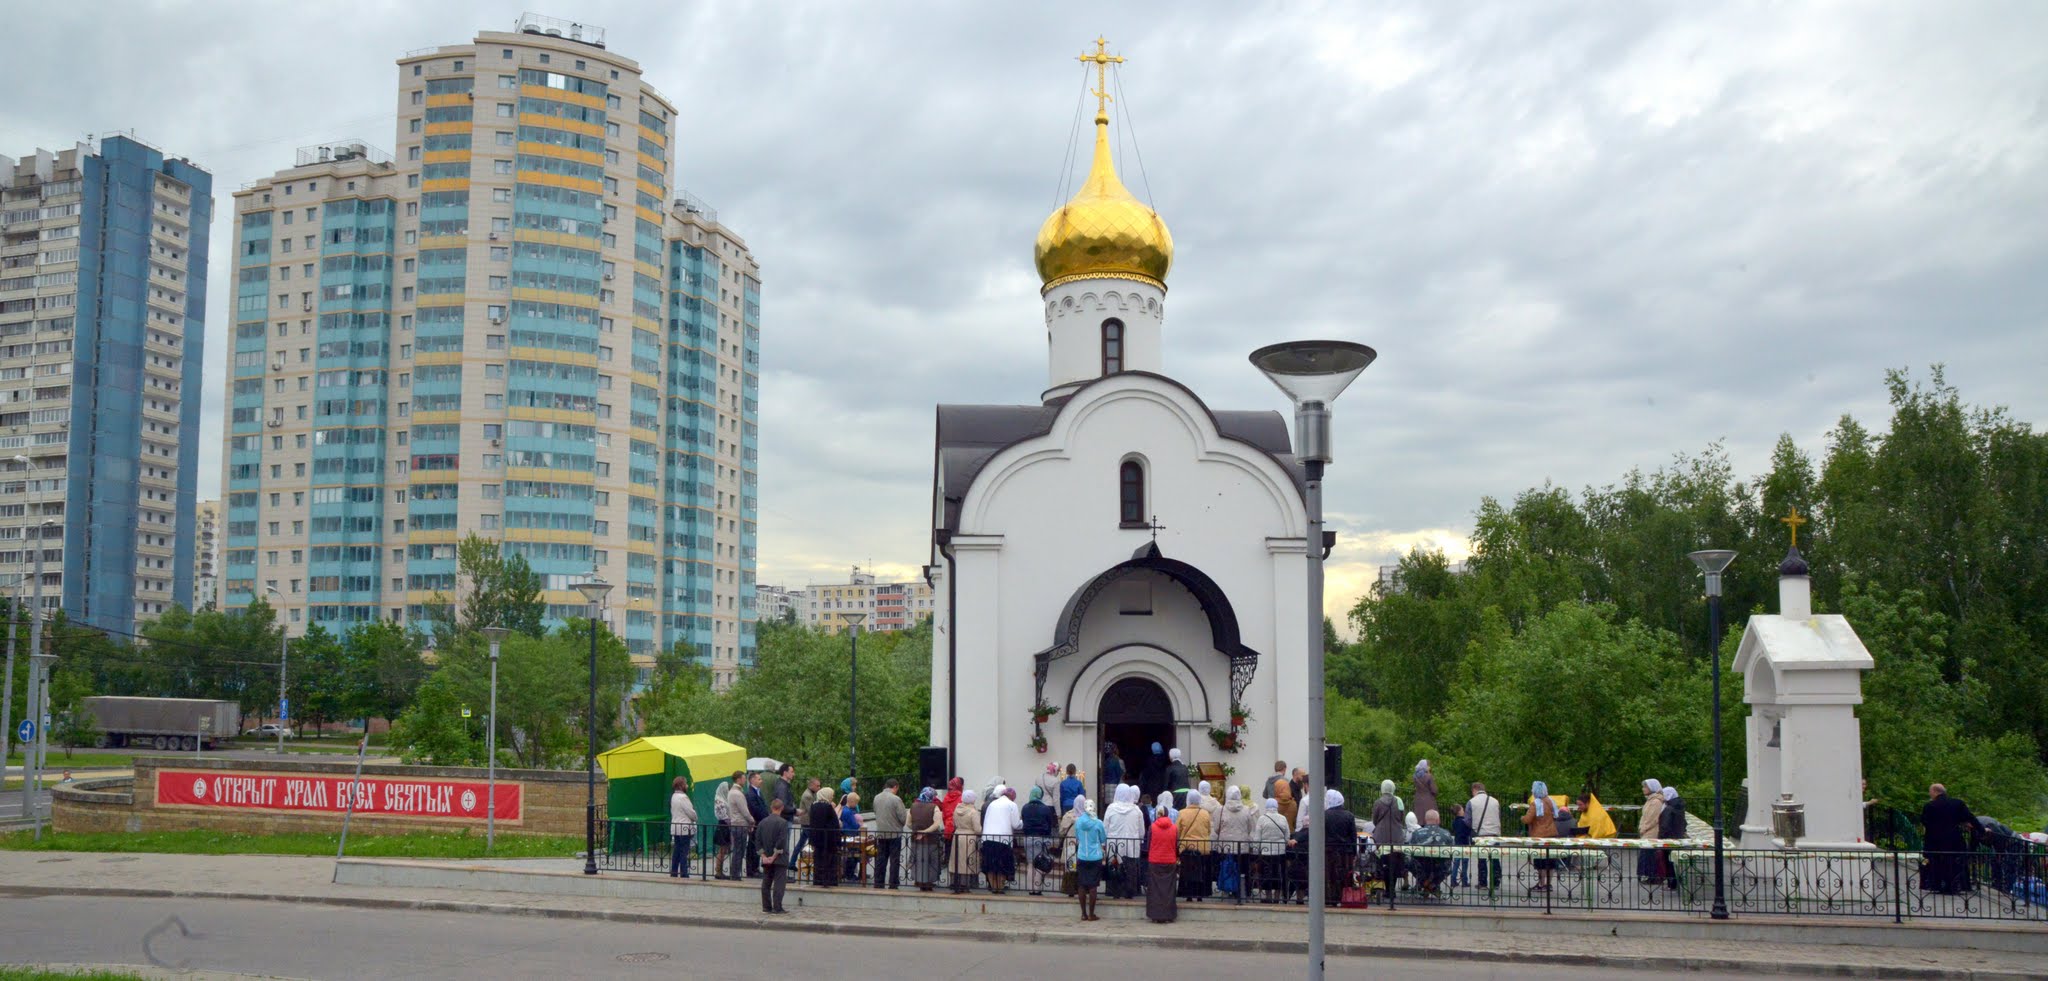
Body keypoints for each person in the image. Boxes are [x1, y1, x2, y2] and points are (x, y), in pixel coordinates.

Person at [1921, 783, 1981, 895]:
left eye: (1930, 792)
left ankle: (1938, 885)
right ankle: (1955, 885)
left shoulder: (1929, 806)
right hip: (1954, 839)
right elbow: (1970, 817)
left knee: (1938, 862)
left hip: (1935, 841)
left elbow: (1925, 821)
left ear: (1934, 792)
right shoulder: (1957, 803)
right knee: (1955, 862)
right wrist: (1981, 830)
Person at [1103, 784, 1146, 900]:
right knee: (1130, 869)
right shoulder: (1136, 810)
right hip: (1131, 846)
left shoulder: (1111, 808)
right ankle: (1129, 892)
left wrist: (1104, 842)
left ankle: (1114, 891)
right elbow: (1141, 831)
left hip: (1114, 846)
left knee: (1114, 868)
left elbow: (1105, 828)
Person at [1216, 785, 1256, 903]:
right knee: (1243, 869)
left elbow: (1217, 828)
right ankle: (1243, 892)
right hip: (1242, 846)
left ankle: (1227, 890)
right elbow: (1250, 827)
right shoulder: (1246, 810)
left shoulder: (1221, 810)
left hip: (1226, 846)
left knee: (1227, 868)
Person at [1176, 785, 1214, 901]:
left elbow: (1177, 831)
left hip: (1186, 848)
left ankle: (1188, 894)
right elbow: (1208, 830)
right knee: (1201, 871)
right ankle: (1200, 895)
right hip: (1202, 848)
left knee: (1187, 872)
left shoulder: (1182, 813)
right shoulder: (1205, 813)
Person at [1523, 780, 1561, 892]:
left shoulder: (1536, 804)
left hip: (1539, 835)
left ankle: (1541, 884)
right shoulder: (1551, 802)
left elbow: (1527, 819)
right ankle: (1548, 884)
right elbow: (1556, 816)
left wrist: (1522, 818)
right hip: (1552, 834)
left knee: (1541, 861)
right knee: (1550, 860)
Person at [982, 784, 1020, 894]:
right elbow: (1016, 824)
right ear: (1012, 797)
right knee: (1002, 865)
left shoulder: (992, 804)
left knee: (990, 865)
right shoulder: (1012, 805)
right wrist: (1023, 823)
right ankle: (1000, 887)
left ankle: (994, 887)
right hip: (1003, 839)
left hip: (988, 838)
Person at [1324, 789, 1360, 904]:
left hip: (1329, 851)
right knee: (1345, 875)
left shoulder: (1324, 815)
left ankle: (1330, 898)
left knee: (1330, 875)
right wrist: (1354, 852)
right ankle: (1345, 897)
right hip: (1346, 852)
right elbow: (1353, 835)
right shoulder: (1349, 815)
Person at [1020, 785, 1058, 895]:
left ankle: (1030, 889)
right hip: (1041, 838)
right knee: (1040, 863)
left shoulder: (1025, 807)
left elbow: (1023, 821)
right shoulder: (1045, 808)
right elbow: (1050, 824)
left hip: (1028, 838)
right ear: (1040, 795)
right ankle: (1037, 889)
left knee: (1030, 864)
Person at [1146, 802, 1181, 922]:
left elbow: (1149, 844)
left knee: (1155, 889)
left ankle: (1155, 914)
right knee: (1169, 889)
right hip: (1170, 861)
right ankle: (1168, 914)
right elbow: (1176, 845)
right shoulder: (1174, 828)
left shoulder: (1152, 827)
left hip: (1155, 860)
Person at [1073, 796, 1106, 920]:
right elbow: (1103, 839)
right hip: (1095, 856)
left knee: (1082, 885)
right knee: (1093, 886)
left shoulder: (1078, 822)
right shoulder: (1098, 823)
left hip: (1082, 855)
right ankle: (1091, 914)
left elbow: (1077, 837)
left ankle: (1083, 914)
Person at [756, 799, 791, 914]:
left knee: (766, 882)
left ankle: (766, 906)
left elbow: (758, 841)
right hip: (780, 858)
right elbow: (781, 841)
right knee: (779, 883)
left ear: (771, 808)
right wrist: (774, 855)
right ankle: (777, 907)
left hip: (766, 857)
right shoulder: (783, 823)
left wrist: (764, 856)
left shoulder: (762, 822)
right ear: (782, 808)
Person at [1408, 809, 1454, 896]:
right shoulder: (1446, 834)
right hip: (1440, 867)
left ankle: (1425, 884)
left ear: (1425, 820)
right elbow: (1452, 850)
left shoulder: (1416, 833)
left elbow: (1410, 850)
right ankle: (1432, 885)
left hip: (1420, 866)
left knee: (1409, 863)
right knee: (1448, 865)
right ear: (1438, 820)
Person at [871, 778, 907, 889]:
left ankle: (878, 882)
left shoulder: (876, 797)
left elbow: (875, 812)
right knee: (894, 859)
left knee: (881, 859)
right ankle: (893, 883)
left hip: (881, 832)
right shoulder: (896, 799)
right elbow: (903, 817)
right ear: (895, 787)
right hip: (894, 833)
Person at [908, 788, 946, 891]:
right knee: (931, 861)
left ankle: (919, 881)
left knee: (918, 860)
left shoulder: (913, 806)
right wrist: (925, 831)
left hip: (916, 839)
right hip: (931, 839)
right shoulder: (934, 807)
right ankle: (928, 883)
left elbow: (908, 823)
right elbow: (937, 824)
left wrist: (917, 830)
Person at [1467, 781, 1502, 890]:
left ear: (1474, 790)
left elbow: (1468, 820)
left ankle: (1483, 883)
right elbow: (1499, 816)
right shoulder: (1495, 801)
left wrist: (1474, 828)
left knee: (1482, 859)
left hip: (1480, 834)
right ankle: (1496, 882)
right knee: (1495, 857)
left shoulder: (1471, 802)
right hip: (1494, 833)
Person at [1371, 779, 1406, 890]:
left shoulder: (1378, 803)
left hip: (1381, 837)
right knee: (1394, 864)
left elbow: (1374, 820)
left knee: (1382, 862)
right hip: (1397, 837)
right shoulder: (1399, 802)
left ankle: (1383, 888)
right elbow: (1401, 818)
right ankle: (1392, 890)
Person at [1255, 797, 1292, 900]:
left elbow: (1257, 837)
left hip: (1265, 852)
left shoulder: (1262, 819)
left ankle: (1268, 897)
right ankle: (1277, 897)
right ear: (1277, 806)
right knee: (1278, 874)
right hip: (1280, 851)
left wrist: (1256, 850)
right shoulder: (1283, 818)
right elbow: (1287, 836)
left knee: (1266, 875)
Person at [949, 789, 982, 893]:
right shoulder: (973, 812)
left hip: (957, 836)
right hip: (969, 838)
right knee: (968, 861)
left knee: (957, 860)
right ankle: (965, 884)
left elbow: (954, 823)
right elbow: (977, 829)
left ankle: (955, 882)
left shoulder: (956, 809)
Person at [808, 786, 842, 887]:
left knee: (819, 860)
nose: (832, 797)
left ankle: (818, 879)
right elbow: (834, 822)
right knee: (829, 861)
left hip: (817, 838)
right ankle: (829, 880)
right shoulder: (827, 807)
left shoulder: (814, 806)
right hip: (828, 839)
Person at [1636, 778, 1667, 885]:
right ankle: (1649, 875)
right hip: (1647, 831)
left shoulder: (1656, 802)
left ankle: (1653, 876)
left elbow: (1652, 818)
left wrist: (1644, 828)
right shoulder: (1651, 800)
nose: (1643, 789)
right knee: (1647, 854)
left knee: (1650, 854)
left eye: (1645, 787)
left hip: (1651, 832)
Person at [1656, 785, 1687, 887]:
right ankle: (1674, 882)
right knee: (1673, 861)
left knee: (1668, 861)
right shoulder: (1679, 807)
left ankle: (1671, 883)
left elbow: (1665, 825)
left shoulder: (1669, 809)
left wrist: (1660, 837)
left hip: (1668, 838)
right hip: (1677, 836)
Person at [729, 773, 759, 880]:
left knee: (738, 850)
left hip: (736, 823)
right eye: (743, 778)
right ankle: (735, 874)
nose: (745, 780)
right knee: (739, 850)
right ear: (738, 779)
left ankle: (735, 873)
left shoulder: (732, 792)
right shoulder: (737, 794)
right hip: (740, 824)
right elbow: (744, 811)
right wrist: (752, 820)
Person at [668, 775, 697, 878]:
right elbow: (691, 813)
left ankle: (674, 871)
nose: (687, 786)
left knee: (676, 851)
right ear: (681, 785)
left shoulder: (673, 796)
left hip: (676, 827)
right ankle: (684, 873)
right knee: (684, 851)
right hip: (684, 828)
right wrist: (695, 817)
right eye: (686, 784)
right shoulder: (683, 797)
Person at [711, 777, 733, 880]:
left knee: (724, 850)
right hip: (723, 825)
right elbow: (723, 816)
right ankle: (718, 871)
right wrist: (730, 822)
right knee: (722, 850)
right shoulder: (720, 801)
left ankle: (720, 870)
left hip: (725, 825)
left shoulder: (723, 799)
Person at [1449, 802, 1474, 887]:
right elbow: (1468, 832)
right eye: (1463, 809)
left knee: (1456, 862)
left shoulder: (1454, 822)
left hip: (1457, 843)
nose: (1464, 811)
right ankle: (1464, 880)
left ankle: (1453, 879)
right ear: (1459, 811)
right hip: (1465, 843)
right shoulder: (1464, 822)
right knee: (1465, 863)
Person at [1411, 759, 1438, 824]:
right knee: (1429, 818)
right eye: (1428, 765)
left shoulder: (1415, 776)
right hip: (1428, 800)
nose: (1429, 767)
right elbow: (1434, 790)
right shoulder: (1429, 776)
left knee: (1419, 817)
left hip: (1418, 798)